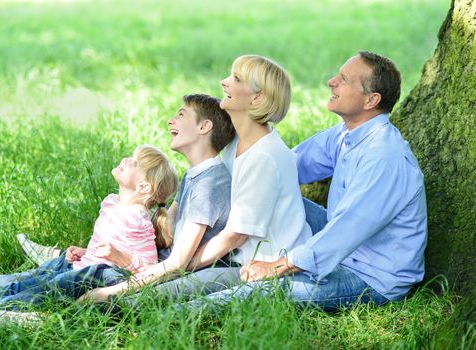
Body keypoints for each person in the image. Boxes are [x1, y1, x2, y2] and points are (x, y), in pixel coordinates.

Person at [190, 51, 428, 311]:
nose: (331, 81)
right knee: (263, 197)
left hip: (369, 276)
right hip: (342, 243)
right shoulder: (347, 135)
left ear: (371, 100)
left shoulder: (384, 158)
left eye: (344, 80)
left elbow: (344, 233)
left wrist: (276, 267)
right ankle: (195, 248)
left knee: (263, 292)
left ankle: (178, 311)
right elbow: (286, 167)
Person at [79, 54, 312, 304]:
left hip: (259, 267)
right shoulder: (237, 143)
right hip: (233, 256)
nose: (224, 82)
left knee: (140, 301)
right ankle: (72, 265)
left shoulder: (263, 157)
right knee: (136, 273)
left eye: (235, 78)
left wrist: (177, 266)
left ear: (257, 97)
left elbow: (234, 236)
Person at [0, 93, 237, 323]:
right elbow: (162, 226)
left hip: (142, 273)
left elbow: (177, 263)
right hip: (135, 265)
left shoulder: (210, 185)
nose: (171, 120)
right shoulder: (195, 175)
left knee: (62, 283)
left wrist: (110, 290)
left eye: (181, 115)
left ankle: (34, 317)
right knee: (44, 276)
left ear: (204, 127)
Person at [0, 144, 178, 310]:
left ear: (143, 186)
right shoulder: (112, 201)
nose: (126, 159)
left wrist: (119, 257)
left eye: (134, 162)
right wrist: (87, 252)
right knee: (30, 278)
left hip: (100, 275)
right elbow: (107, 246)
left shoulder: (138, 219)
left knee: (38, 291)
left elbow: (149, 267)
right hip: (83, 264)